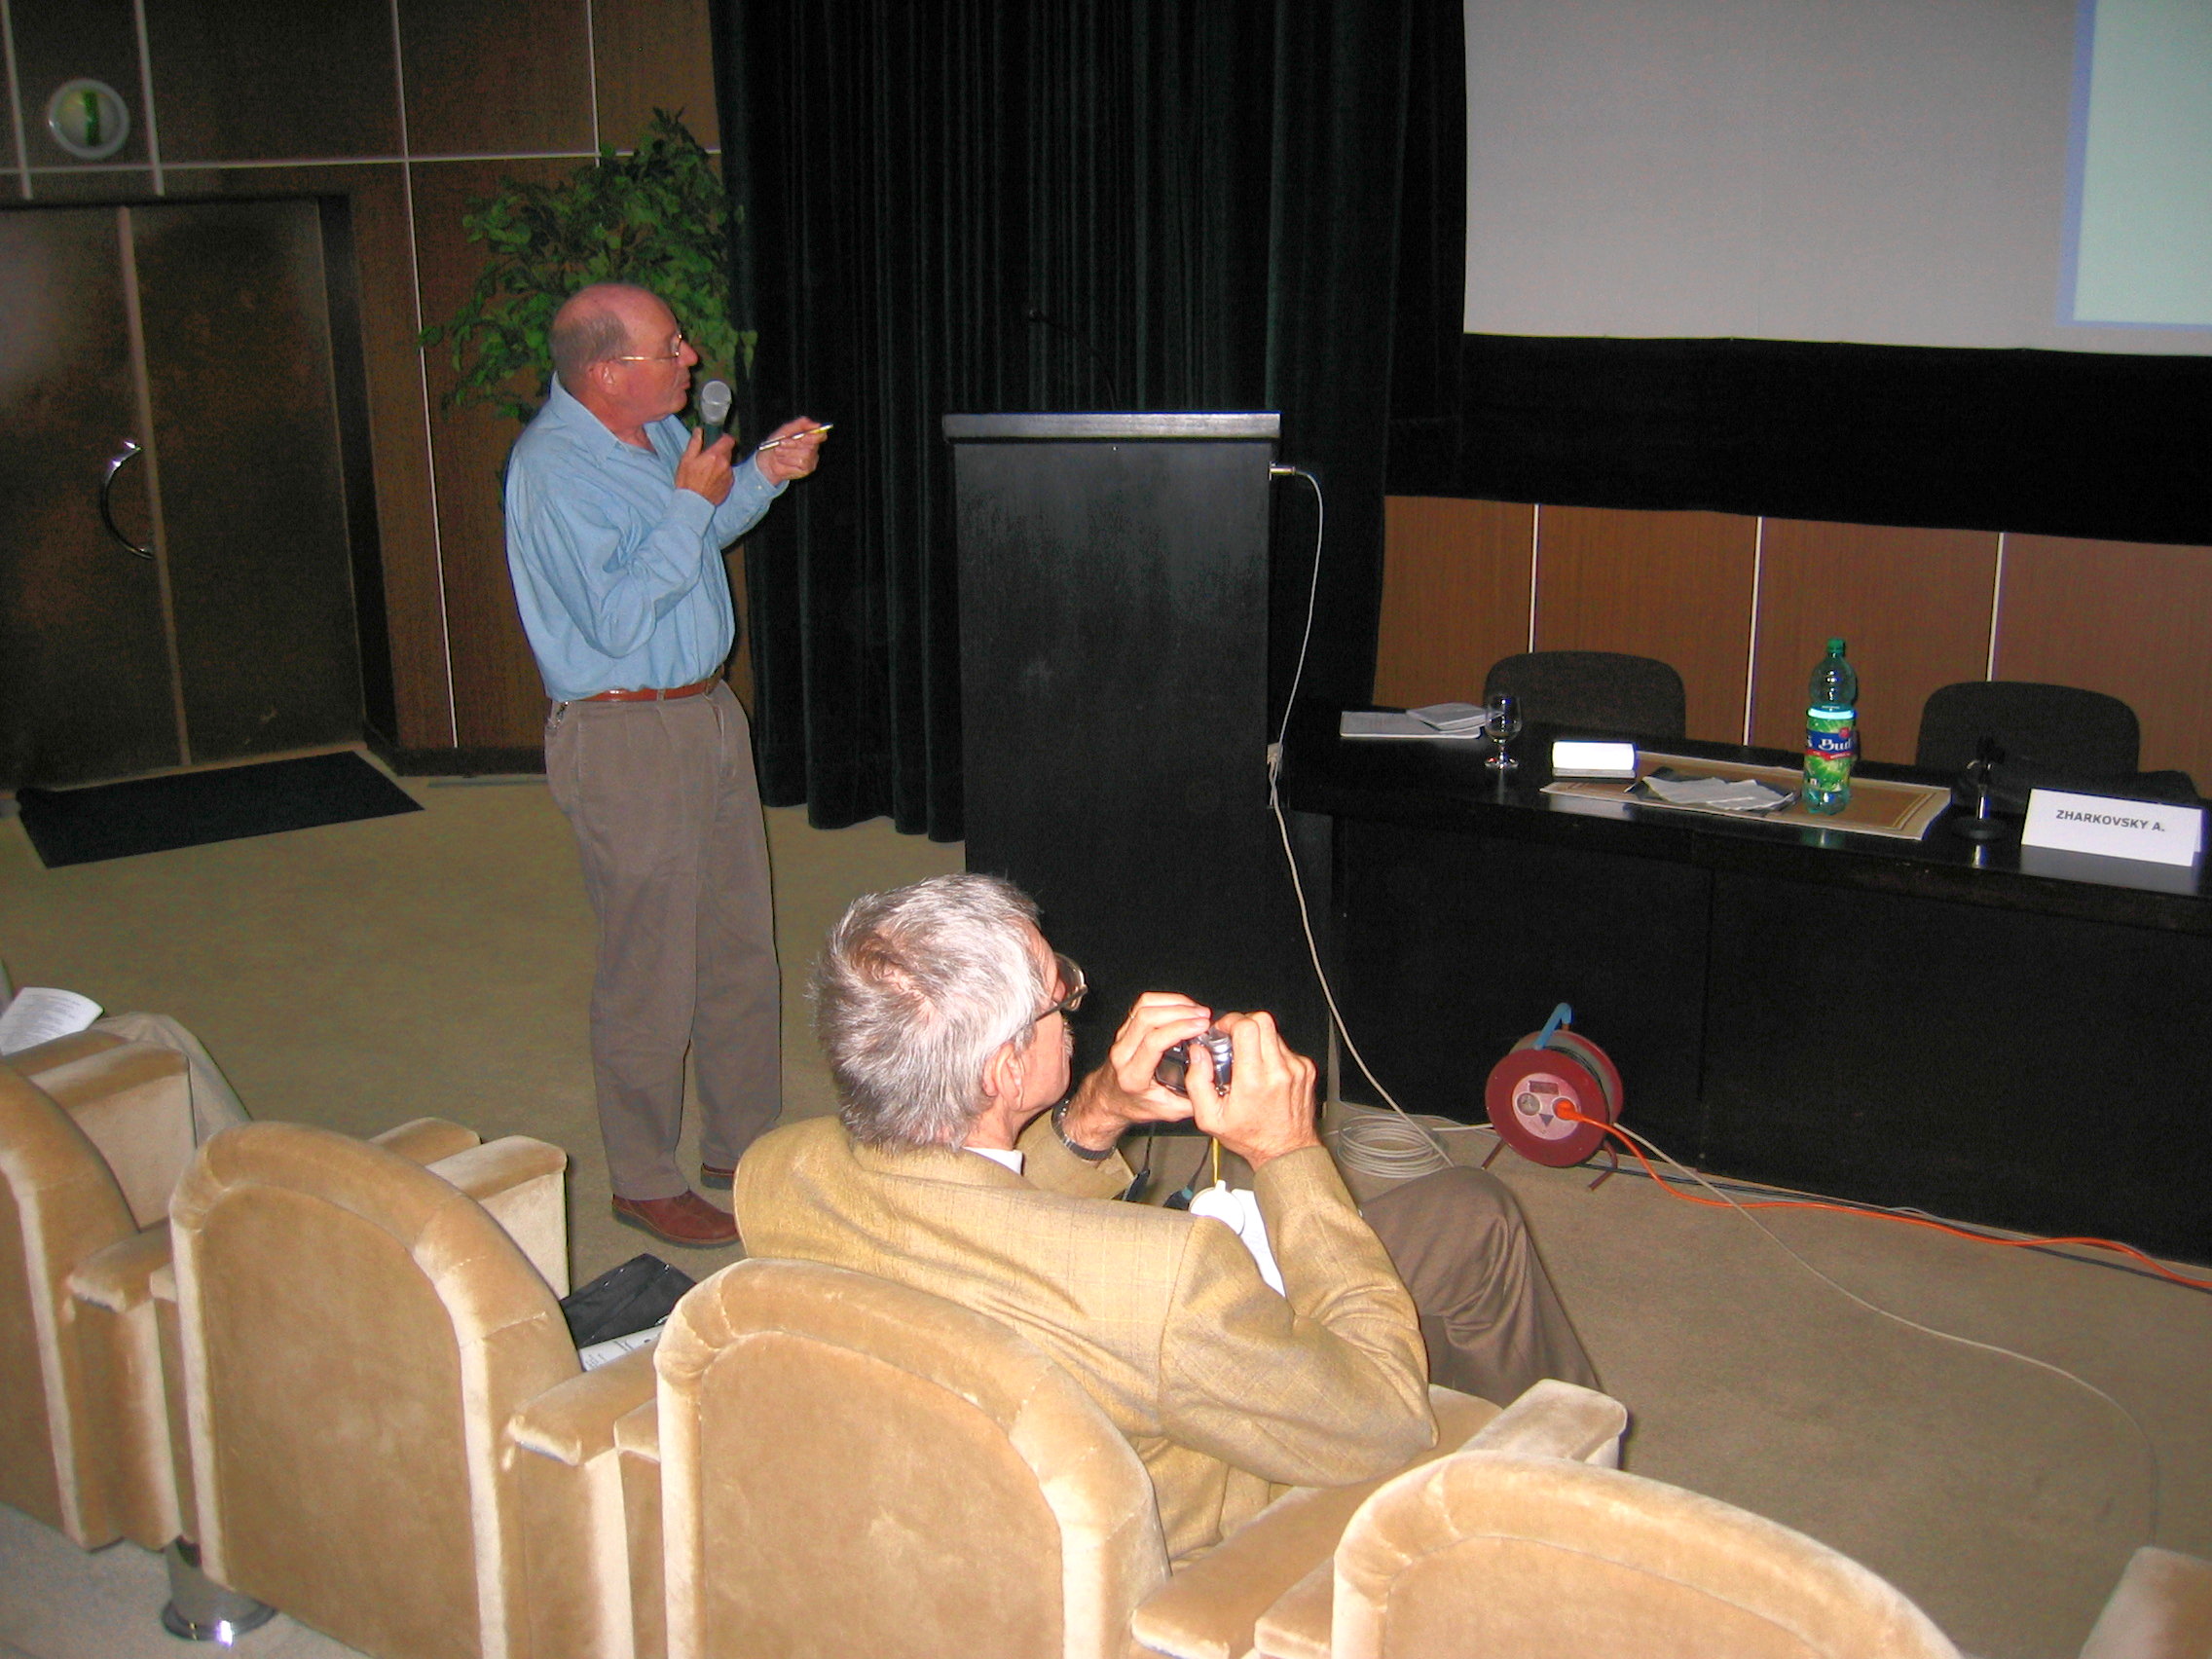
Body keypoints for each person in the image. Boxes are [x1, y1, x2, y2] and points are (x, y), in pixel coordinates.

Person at [736, 872, 1594, 1563]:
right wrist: (1288, 1152)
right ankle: (1574, 1516)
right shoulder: (1168, 1279)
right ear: (1002, 1071)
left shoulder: (776, 1174)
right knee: (1479, 1225)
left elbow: (972, 1215)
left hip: (984, 1474)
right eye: (1059, 1001)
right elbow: (1384, 1418)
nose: (1074, 1009)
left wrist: (1094, 1114)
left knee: (1466, 1211)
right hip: (1203, 1530)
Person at [504, 281, 826, 1247]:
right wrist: (690, 504)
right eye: (670, 347)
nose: (691, 358)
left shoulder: (649, 433)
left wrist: (759, 475)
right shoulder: (551, 470)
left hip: (706, 712)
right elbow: (614, 617)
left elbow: (694, 539)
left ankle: (741, 1146)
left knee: (739, 946)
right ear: (608, 373)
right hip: (625, 733)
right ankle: (643, 1179)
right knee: (650, 968)